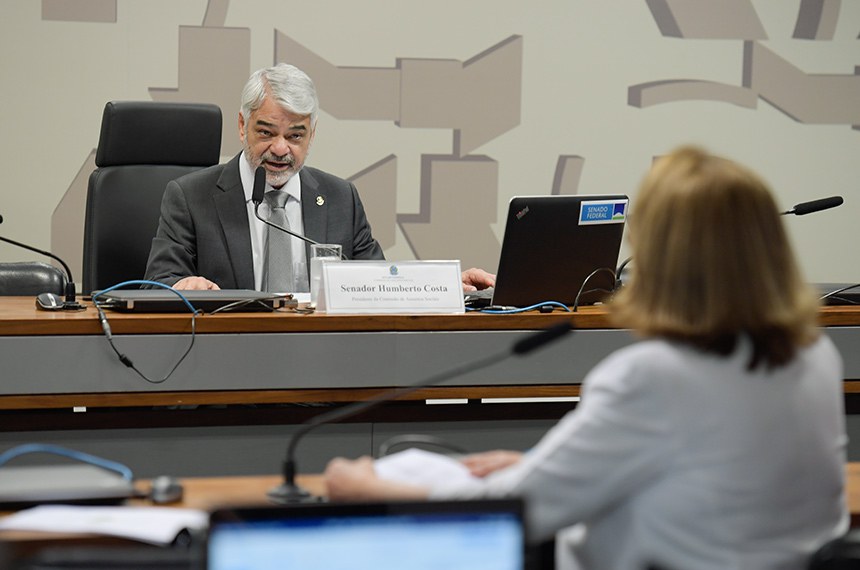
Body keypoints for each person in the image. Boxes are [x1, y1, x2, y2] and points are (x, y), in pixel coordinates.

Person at [324, 146, 847, 570]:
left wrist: (374, 492)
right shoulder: (814, 355)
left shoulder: (654, 376)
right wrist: (541, 467)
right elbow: (704, 474)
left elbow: (515, 514)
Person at [144, 63, 495, 292]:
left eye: (295, 136)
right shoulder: (191, 197)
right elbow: (154, 287)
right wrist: (181, 287)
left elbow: (379, 287)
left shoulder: (341, 198)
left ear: (312, 134)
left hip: (321, 373)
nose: (280, 149)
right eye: (266, 133)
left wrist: (446, 287)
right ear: (242, 126)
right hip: (226, 375)